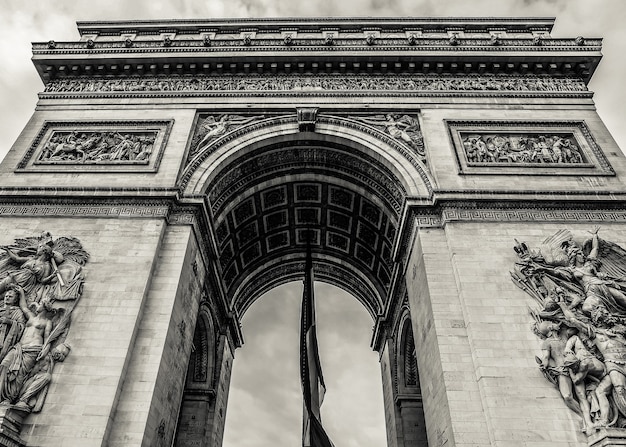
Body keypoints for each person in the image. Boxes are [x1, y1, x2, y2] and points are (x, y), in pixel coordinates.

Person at [0, 286, 53, 405]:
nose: (36, 306)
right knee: (4, 364)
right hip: (19, 347)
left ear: (44, 307)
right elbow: (23, 307)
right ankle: (0, 394)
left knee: (19, 375)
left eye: (40, 304)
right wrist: (21, 293)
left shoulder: (47, 322)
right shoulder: (31, 317)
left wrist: (45, 351)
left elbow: (47, 338)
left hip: (33, 349)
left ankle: (9, 398)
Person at [0, 287, 25, 362]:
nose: (7, 298)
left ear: (15, 300)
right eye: (6, 296)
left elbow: (21, 327)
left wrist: (10, 322)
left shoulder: (17, 312)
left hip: (5, 340)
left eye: (10, 297)